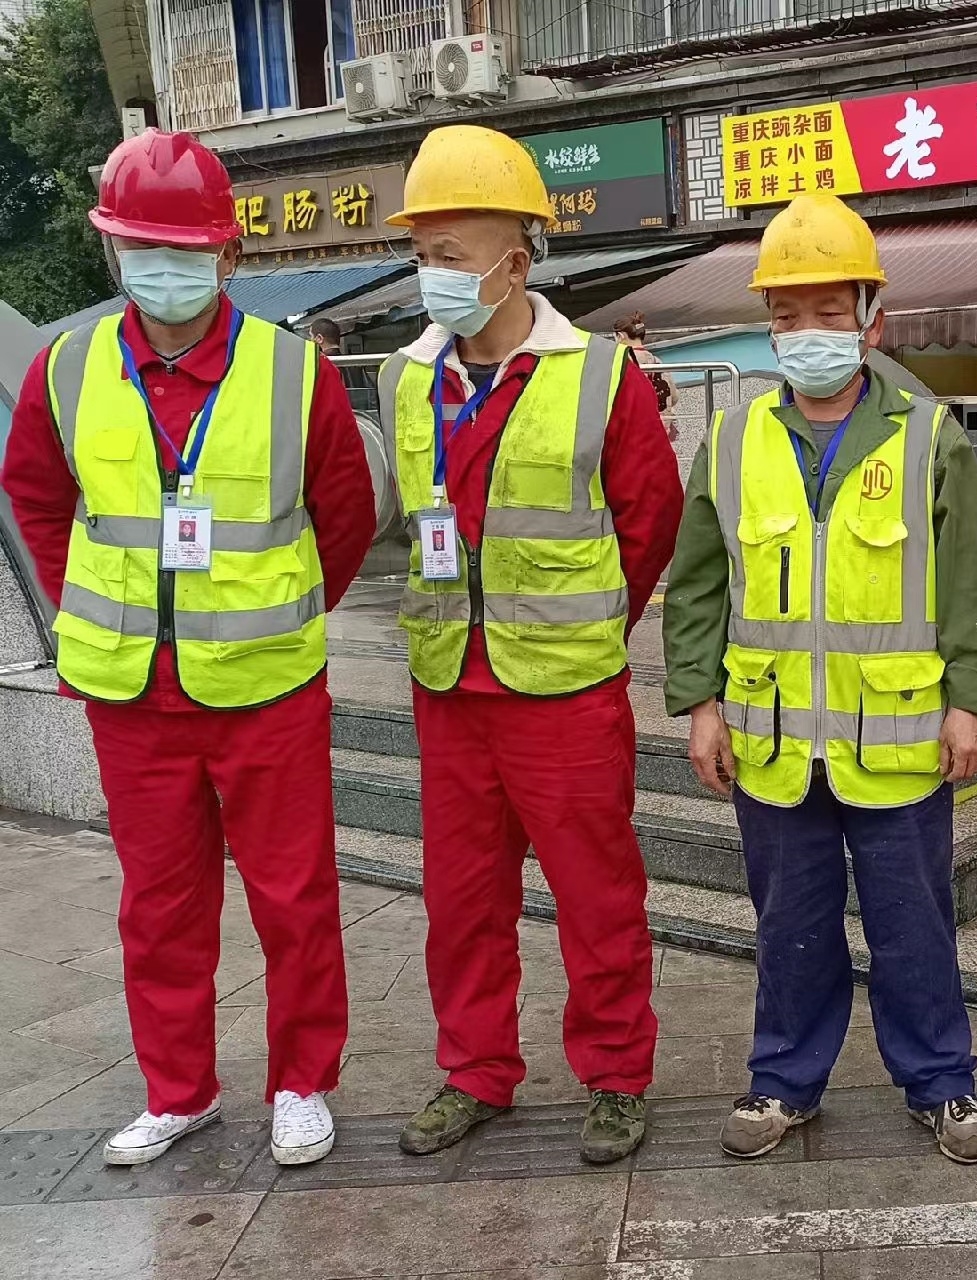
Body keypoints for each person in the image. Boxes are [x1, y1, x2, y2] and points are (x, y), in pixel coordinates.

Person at [0, 130, 374, 1167]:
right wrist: (91, 603)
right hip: (132, 696)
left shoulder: (294, 372)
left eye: (184, 250)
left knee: (294, 896)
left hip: (266, 690)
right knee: (158, 906)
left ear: (228, 257)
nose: (161, 270)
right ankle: (180, 1089)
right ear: (110, 250)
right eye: (138, 248)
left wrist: (281, 611)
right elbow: (36, 495)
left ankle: (303, 1079)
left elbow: (343, 513)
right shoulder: (66, 370)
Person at [663, 193, 977, 1164]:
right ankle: (782, 1080)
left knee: (914, 925)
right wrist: (699, 704)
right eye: (787, 314)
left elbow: (968, 584)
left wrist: (971, 701)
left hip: (897, 737)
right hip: (772, 742)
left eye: (828, 312)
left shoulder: (928, 436)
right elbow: (696, 585)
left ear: (872, 320)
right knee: (791, 927)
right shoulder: (730, 442)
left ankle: (942, 1080)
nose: (806, 333)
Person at [379, 125, 682, 1164]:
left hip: (563, 693)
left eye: (451, 256)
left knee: (599, 896)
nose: (433, 276)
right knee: (462, 900)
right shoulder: (404, 379)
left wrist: (591, 622)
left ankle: (615, 1074)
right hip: (447, 688)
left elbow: (649, 522)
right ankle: (474, 1069)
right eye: (422, 255)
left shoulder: (601, 376)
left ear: (516, 260)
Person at [616, 312, 677, 441]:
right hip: (661, 433)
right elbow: (674, 397)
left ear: (620, 336)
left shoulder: (621, 363)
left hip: (634, 434)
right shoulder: (657, 362)